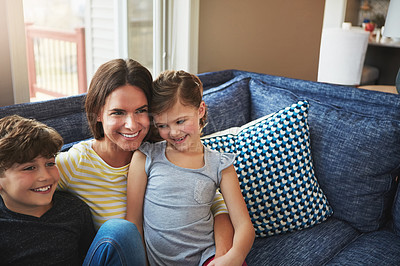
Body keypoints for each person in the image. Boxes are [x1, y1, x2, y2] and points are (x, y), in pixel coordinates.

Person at [55, 59, 234, 257]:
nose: (132, 125)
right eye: (118, 112)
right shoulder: (76, 163)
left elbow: (214, 202)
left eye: (141, 111)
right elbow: (22, 185)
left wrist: (224, 256)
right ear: (98, 113)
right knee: (120, 230)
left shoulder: (166, 153)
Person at [126, 70, 255, 265]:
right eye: (163, 125)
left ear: (200, 110)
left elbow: (244, 225)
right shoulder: (145, 157)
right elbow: (133, 223)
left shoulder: (220, 165)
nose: (173, 132)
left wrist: (234, 256)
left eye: (180, 121)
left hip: (208, 258)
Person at [0, 115, 145, 266]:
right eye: (29, 168)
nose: (45, 176)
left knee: (120, 229)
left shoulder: (75, 210)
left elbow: (91, 256)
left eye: (50, 164)